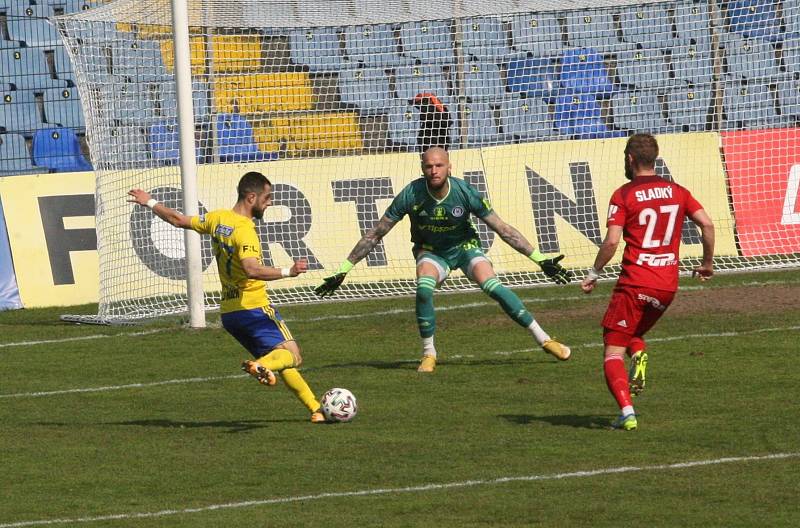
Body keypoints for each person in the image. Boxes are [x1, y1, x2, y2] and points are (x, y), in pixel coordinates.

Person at [315, 146, 574, 372]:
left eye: (439, 165)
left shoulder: (464, 192)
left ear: (449, 167)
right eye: (428, 166)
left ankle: (544, 339)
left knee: (493, 286)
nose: (434, 170)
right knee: (424, 289)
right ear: (422, 169)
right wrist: (344, 269)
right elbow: (376, 234)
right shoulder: (411, 194)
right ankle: (429, 353)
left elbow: (503, 229)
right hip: (431, 251)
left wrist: (540, 259)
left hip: (465, 247)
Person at [128, 171, 325, 423]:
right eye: (267, 197)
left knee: (280, 358)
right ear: (251, 197)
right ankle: (262, 366)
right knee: (293, 355)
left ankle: (315, 409)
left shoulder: (217, 218)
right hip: (254, 307)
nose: (270, 202)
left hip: (231, 314)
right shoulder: (245, 231)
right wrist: (289, 271)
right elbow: (252, 268)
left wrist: (149, 201)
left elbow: (178, 220)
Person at [581, 133, 715, 431]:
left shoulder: (624, 194)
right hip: (667, 286)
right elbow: (707, 223)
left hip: (634, 283)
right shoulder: (677, 190)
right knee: (630, 336)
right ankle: (639, 353)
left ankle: (627, 412)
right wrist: (707, 263)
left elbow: (612, 242)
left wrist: (594, 272)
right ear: (654, 158)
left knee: (612, 349)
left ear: (630, 159)